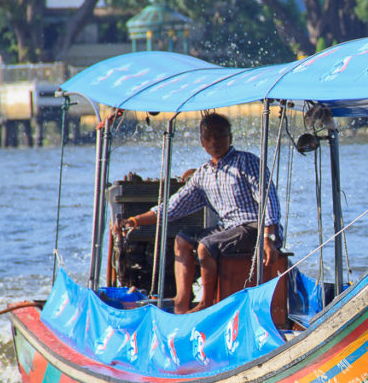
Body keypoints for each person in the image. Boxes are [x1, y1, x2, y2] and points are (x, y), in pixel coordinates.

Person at [118, 112, 282, 313]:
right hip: (228, 229)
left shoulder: (246, 162)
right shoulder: (203, 174)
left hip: (254, 228)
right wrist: (134, 221)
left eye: (221, 135)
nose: (215, 141)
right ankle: (181, 302)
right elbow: (172, 208)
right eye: (209, 137)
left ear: (230, 137)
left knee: (205, 246)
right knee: (183, 238)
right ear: (202, 141)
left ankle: (206, 302)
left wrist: (268, 237)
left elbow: (268, 200)